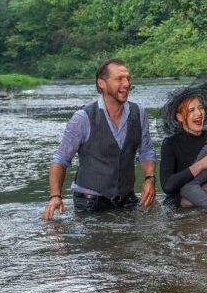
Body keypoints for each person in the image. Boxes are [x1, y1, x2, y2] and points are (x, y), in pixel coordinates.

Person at [42, 59, 156, 219]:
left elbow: (147, 151)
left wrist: (150, 178)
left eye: (128, 78)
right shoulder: (82, 118)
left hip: (127, 200)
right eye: (119, 79)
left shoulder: (139, 113)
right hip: (90, 203)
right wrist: (55, 196)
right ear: (101, 83)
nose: (126, 84)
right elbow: (60, 160)